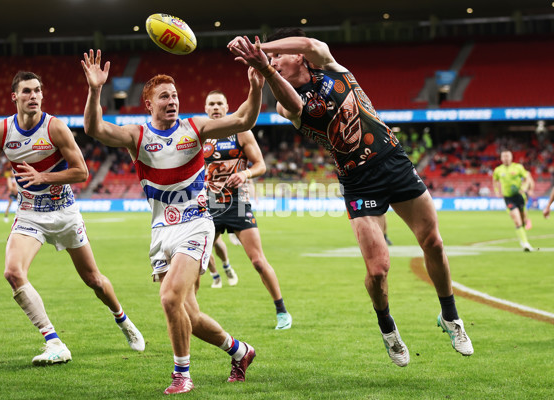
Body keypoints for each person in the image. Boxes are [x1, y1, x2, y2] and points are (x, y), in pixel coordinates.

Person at [228, 28, 473, 367]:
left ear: (296, 55)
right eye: (270, 60)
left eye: (277, 56)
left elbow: (311, 44)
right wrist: (266, 69)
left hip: (393, 161)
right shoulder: (285, 103)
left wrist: (260, 48)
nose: (273, 62)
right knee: (378, 271)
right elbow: (294, 105)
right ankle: (387, 328)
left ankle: (451, 318)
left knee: (433, 242)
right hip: (357, 180)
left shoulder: (331, 66)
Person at [82, 49, 261, 394]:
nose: (173, 100)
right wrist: (94, 90)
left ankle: (182, 375)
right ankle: (240, 351)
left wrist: (255, 88)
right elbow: (94, 128)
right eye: (164, 96)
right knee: (189, 317)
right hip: (161, 230)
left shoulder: (196, 128)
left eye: (175, 95)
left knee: (168, 299)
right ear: (148, 104)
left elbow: (243, 121)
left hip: (196, 224)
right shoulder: (138, 136)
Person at [0, 71, 145, 366]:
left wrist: (44, 175)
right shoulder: (2, 131)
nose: (34, 96)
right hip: (29, 212)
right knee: (13, 272)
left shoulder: (55, 128)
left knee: (94, 280)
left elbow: (82, 172)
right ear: (14, 96)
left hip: (64, 211)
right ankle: (54, 341)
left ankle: (122, 319)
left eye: (38, 90)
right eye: (27, 91)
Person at [203, 90, 292, 330]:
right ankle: (188, 313)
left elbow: (261, 165)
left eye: (219, 103)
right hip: (209, 204)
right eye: (211, 104)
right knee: (194, 262)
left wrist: (245, 173)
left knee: (258, 262)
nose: (215, 107)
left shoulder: (240, 132)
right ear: (205, 108)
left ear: (226, 106)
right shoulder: (199, 135)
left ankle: (282, 311)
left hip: (238, 204)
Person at [492, 150, 535, 251]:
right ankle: (525, 243)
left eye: (508, 156)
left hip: (519, 197)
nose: (506, 158)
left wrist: (525, 187)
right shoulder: (498, 170)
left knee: (523, 219)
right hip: (508, 198)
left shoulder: (518, 167)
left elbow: (527, 178)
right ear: (501, 158)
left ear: (511, 157)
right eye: (504, 156)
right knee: (516, 219)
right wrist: (497, 191)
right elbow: (494, 180)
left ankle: (523, 235)